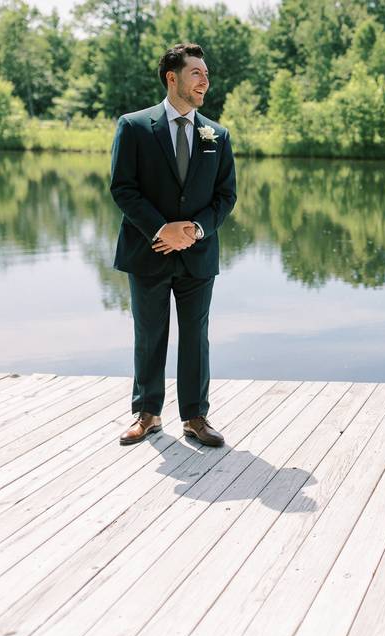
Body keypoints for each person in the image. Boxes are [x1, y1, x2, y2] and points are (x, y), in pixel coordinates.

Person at [110, 43, 237, 447]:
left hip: (198, 254)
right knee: (149, 334)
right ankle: (147, 414)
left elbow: (225, 196)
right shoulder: (133, 126)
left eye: (206, 73)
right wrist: (161, 229)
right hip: (148, 250)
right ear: (173, 78)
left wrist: (196, 230)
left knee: (196, 336)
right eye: (197, 73)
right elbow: (123, 188)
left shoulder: (217, 134)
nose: (205, 80)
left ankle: (196, 417)